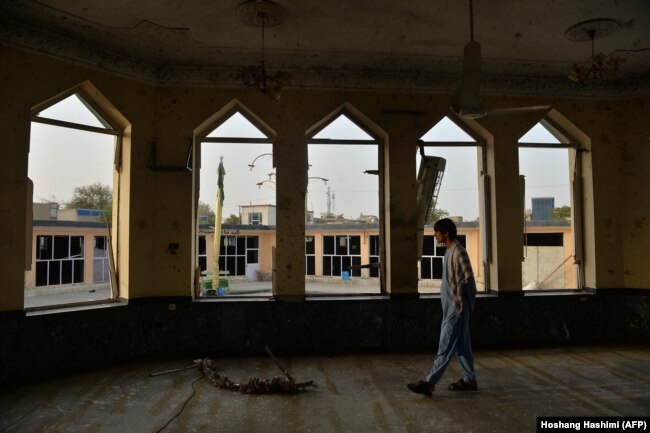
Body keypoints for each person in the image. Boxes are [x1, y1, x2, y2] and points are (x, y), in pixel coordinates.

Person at [407, 218, 478, 397]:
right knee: (462, 346)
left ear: (445, 234)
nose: (435, 235)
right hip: (452, 308)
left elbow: (469, 281)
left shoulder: (458, 252)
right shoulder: (448, 251)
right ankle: (470, 380)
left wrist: (465, 308)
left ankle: (429, 383)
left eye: (437, 232)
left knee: (445, 346)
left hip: (457, 308)